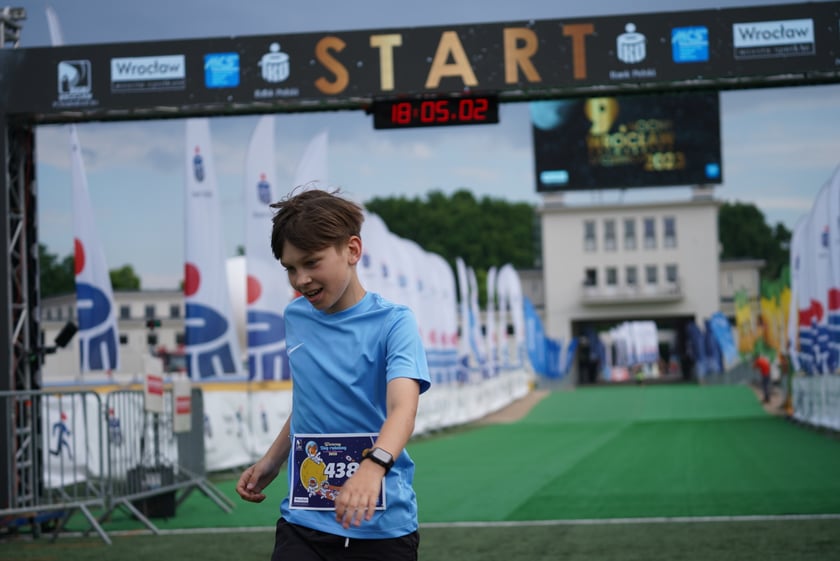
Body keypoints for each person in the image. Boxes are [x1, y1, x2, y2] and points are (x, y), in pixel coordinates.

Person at [236, 188, 431, 561]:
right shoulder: (295, 317)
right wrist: (271, 461)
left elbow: (403, 410)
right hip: (303, 524)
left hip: (380, 528)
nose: (301, 279)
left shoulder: (395, 322)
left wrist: (373, 467)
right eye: (290, 268)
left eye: (312, 262)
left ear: (352, 250)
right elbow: (309, 401)